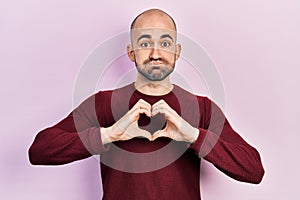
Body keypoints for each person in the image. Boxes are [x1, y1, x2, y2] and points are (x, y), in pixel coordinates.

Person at [29, 8, 264, 200]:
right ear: (131, 53)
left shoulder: (202, 108)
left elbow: (253, 170)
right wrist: (110, 134)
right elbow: (39, 150)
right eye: (144, 44)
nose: (155, 53)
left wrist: (193, 135)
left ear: (177, 52)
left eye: (165, 43)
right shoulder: (103, 103)